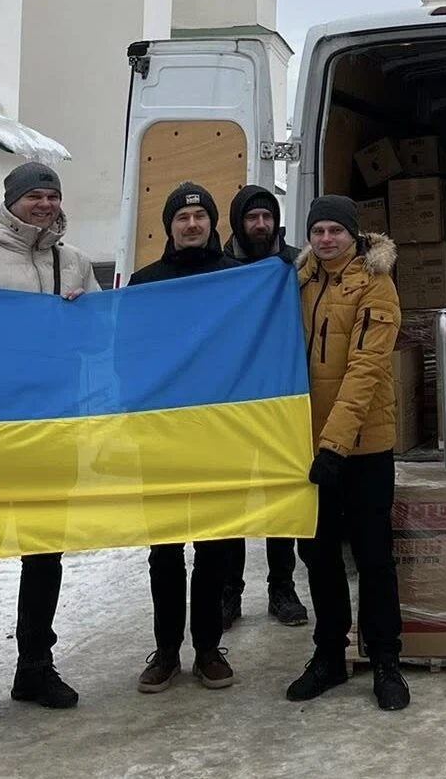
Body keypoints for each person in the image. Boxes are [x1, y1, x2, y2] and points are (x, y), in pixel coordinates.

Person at [0, 161, 98, 724]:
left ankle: (35, 664)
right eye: (34, 195)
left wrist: (84, 320)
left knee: (44, 553)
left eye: (52, 195)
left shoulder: (76, 262)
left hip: (51, 430)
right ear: (10, 202)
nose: (44, 204)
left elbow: (99, 340)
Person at [284, 196, 410, 712]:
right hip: (306, 446)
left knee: (374, 556)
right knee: (318, 558)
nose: (327, 239)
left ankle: (385, 660)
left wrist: (335, 444)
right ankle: (329, 656)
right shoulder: (297, 281)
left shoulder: (376, 285)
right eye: (318, 230)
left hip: (363, 447)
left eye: (337, 230)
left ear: (355, 235)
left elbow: (365, 372)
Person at [130, 182, 244, 693]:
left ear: (213, 223)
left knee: (216, 545)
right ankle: (167, 651)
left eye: (201, 215)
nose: (192, 224)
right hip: (161, 435)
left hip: (220, 434)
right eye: (183, 217)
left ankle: (207, 648)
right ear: (169, 227)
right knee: (165, 550)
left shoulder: (239, 280)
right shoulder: (144, 282)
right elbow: (123, 351)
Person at [220, 184, 308, 631]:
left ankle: (282, 589)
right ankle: (228, 593)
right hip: (228, 405)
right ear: (238, 222)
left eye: (266, 217)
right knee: (233, 501)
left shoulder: (295, 264)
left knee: (280, 497)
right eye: (252, 218)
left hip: (280, 398)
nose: (260, 225)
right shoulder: (216, 270)